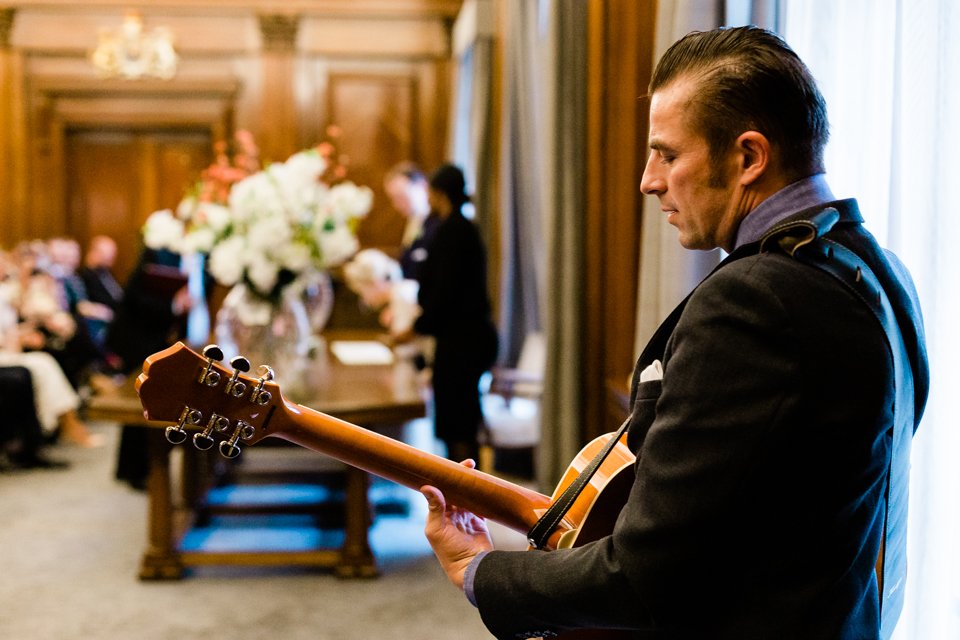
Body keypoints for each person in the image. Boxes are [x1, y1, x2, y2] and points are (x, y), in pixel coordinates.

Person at [420, 26, 929, 639]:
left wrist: (480, 571)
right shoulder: (876, 268)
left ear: (748, 157)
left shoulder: (755, 299)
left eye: (666, 153)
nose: (647, 180)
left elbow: (643, 577)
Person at [396, 163, 499, 464]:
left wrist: (415, 328)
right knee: (461, 421)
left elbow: (444, 293)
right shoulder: (464, 228)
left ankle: (466, 494)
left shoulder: (452, 231)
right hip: (469, 338)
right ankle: (466, 491)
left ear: (439, 194)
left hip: (461, 343)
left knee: (459, 425)